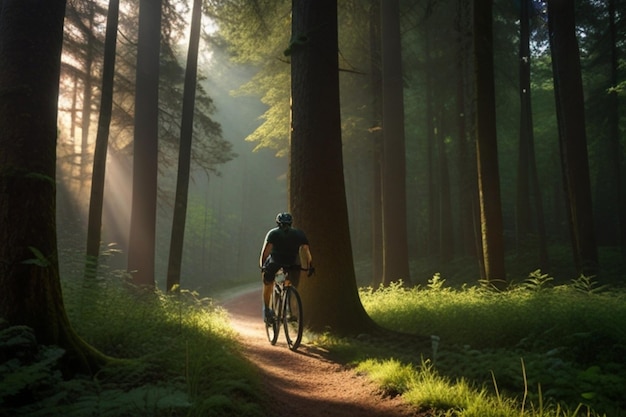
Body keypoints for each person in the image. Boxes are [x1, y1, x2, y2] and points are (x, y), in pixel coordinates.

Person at [259, 212, 313, 322]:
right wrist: (309, 266)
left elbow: (265, 253)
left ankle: (267, 310)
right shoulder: (299, 234)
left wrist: (263, 266)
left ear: (278, 223)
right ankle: (288, 309)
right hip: (293, 264)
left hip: (275, 263)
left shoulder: (273, 233)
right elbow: (307, 251)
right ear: (291, 223)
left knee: (268, 283)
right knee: (289, 283)